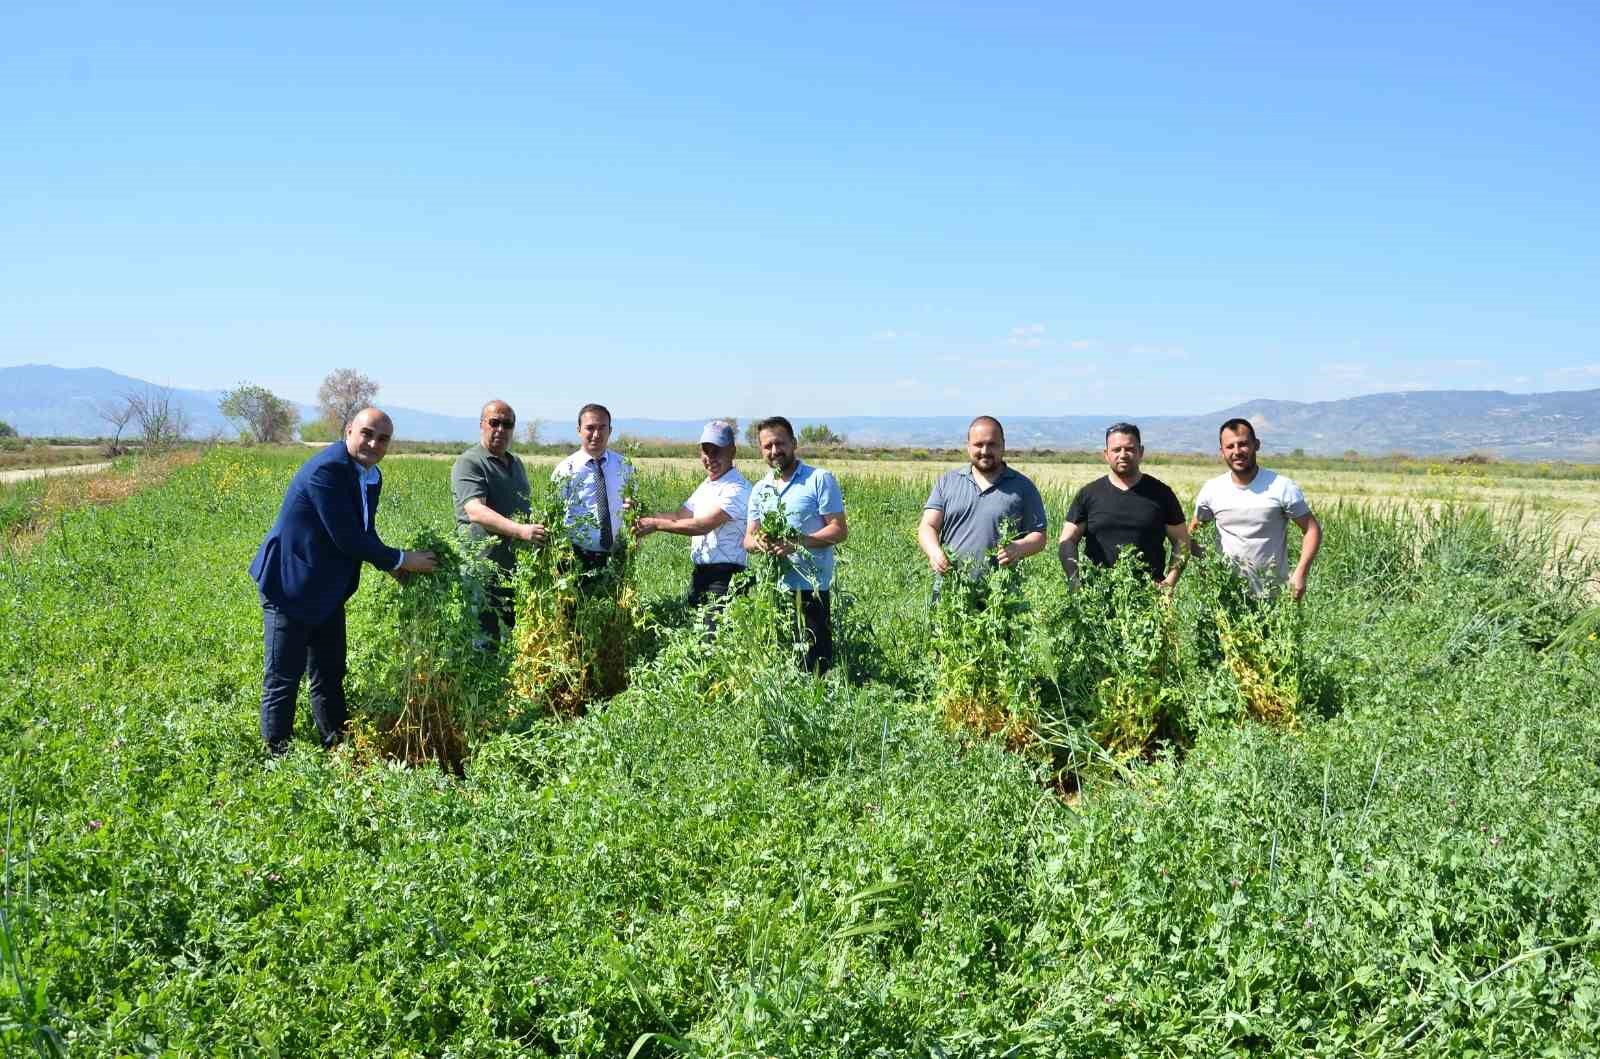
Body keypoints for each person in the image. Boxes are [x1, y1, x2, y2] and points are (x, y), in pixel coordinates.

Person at [249, 407, 437, 754]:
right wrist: (402, 558)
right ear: (349, 431)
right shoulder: (328, 469)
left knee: (330, 672)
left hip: (328, 590)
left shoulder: (370, 475)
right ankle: (277, 754)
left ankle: (336, 743)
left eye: (383, 439)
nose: (373, 443)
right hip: (290, 583)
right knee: (283, 676)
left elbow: (364, 530)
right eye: (367, 433)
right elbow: (347, 537)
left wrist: (392, 565)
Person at [744, 416, 848, 674]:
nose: (774, 451)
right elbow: (748, 539)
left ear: (794, 443)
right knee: (781, 663)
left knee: (815, 668)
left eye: (780, 443)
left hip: (811, 588)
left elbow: (839, 529)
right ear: (761, 450)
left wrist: (798, 543)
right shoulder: (760, 489)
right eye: (767, 446)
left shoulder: (819, 479)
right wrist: (761, 544)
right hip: (773, 590)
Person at [1190, 417, 1323, 600]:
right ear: (1221, 452)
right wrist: (1207, 568)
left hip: (1275, 598)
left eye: (1243, 444)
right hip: (1226, 599)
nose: (1237, 451)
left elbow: (1311, 529)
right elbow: (1192, 535)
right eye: (1230, 446)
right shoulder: (1212, 490)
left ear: (1256, 445)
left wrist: (1300, 573)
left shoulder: (1282, 487)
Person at [634, 420, 752, 618]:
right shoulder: (707, 485)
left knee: (714, 640)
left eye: (717, 451)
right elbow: (680, 516)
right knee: (700, 637)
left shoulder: (737, 488)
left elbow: (703, 525)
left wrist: (655, 524)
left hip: (726, 578)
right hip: (701, 575)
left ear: (732, 451)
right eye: (706, 451)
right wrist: (644, 517)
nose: (710, 458)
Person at [451, 399, 547, 640]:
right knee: (483, 642)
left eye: (508, 424)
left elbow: (521, 508)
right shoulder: (470, 462)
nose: (501, 429)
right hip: (482, 570)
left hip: (515, 570)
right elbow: (475, 511)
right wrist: (521, 531)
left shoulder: (516, 463)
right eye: (494, 423)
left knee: (518, 640)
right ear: (482, 424)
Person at [918, 415, 1047, 592]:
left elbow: (1039, 536)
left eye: (992, 444)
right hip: (951, 592)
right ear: (968, 446)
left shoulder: (1023, 487)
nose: (985, 451)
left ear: (1003, 445)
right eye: (978, 444)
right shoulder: (947, 482)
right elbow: (928, 526)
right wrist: (934, 552)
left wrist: (1019, 548)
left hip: (1000, 596)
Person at [1058, 422, 1191, 588]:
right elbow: (1067, 540)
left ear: (1140, 452)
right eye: (1116, 450)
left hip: (1149, 597)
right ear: (1106, 454)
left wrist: (1169, 583)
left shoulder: (1162, 494)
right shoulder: (1088, 494)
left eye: (1129, 449)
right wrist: (1074, 579)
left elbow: (1182, 543)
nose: (1123, 454)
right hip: (1097, 597)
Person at [552, 403, 634, 572]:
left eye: (602, 428)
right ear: (579, 430)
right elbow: (554, 514)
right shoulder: (566, 469)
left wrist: (633, 507)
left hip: (617, 554)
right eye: (590, 428)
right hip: (575, 556)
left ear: (610, 431)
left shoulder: (624, 466)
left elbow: (634, 504)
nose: (596, 434)